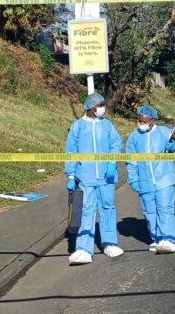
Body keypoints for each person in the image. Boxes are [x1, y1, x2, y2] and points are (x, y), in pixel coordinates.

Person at [64, 93, 124, 264]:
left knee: (108, 208)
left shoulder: (106, 125)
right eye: (100, 105)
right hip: (86, 177)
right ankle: (84, 249)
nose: (103, 108)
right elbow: (71, 151)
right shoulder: (77, 127)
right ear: (91, 107)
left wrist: (112, 161)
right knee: (86, 211)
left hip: (106, 177)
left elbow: (116, 143)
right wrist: (71, 175)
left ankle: (110, 243)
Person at [126, 105, 175, 254]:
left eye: (145, 121)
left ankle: (168, 238)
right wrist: (133, 179)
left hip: (164, 178)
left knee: (164, 209)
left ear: (152, 120)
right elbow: (131, 160)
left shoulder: (163, 132)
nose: (142, 123)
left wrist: (172, 147)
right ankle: (156, 238)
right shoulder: (134, 136)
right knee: (149, 211)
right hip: (144, 180)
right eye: (140, 120)